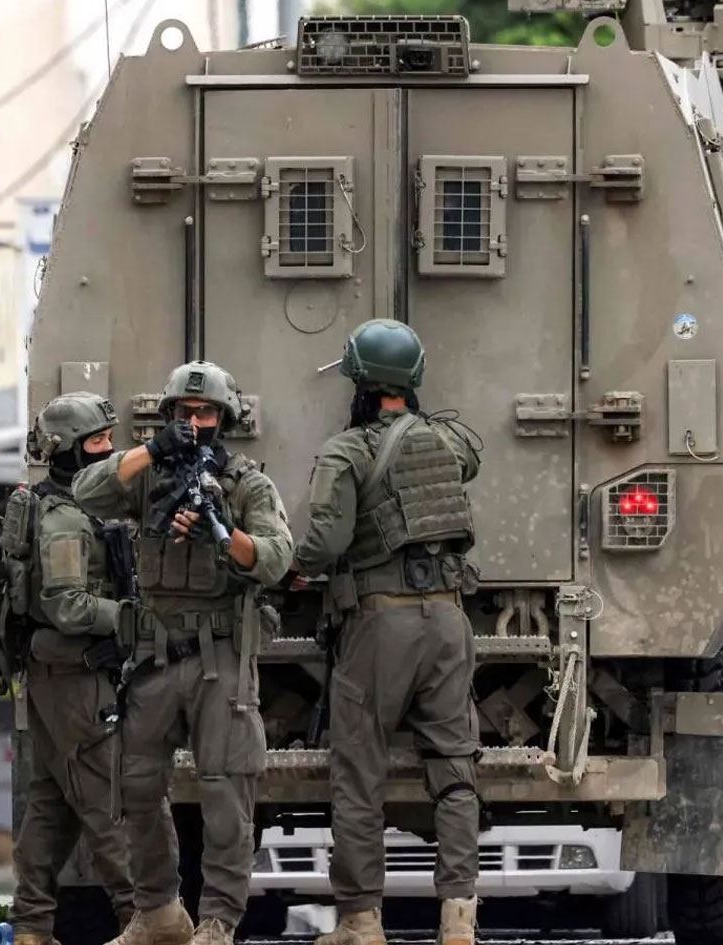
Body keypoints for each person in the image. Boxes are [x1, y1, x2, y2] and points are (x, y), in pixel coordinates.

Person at [73, 361, 294, 945]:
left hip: (220, 659)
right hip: (153, 658)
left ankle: (218, 921)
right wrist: (152, 450)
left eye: (206, 413)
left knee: (225, 793)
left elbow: (275, 558)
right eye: (185, 413)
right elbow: (87, 491)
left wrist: (224, 534)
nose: (195, 422)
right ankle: (159, 913)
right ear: (169, 416)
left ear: (225, 419)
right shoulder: (149, 478)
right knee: (136, 786)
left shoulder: (246, 484)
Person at [290, 319, 482, 945]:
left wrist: (294, 567)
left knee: (359, 776)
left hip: (380, 624)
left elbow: (326, 542)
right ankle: (458, 919)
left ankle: (361, 920)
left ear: (359, 383)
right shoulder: (448, 442)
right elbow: (468, 458)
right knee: (454, 771)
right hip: (448, 619)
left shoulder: (346, 451)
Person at [12, 391, 139, 945]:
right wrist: (132, 618)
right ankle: (142, 918)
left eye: (110, 439)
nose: (108, 450)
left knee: (51, 804)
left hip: (57, 677)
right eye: (97, 442)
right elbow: (68, 605)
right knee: (107, 800)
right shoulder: (65, 520)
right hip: (74, 680)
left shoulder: (74, 507)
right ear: (65, 450)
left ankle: (31, 925)